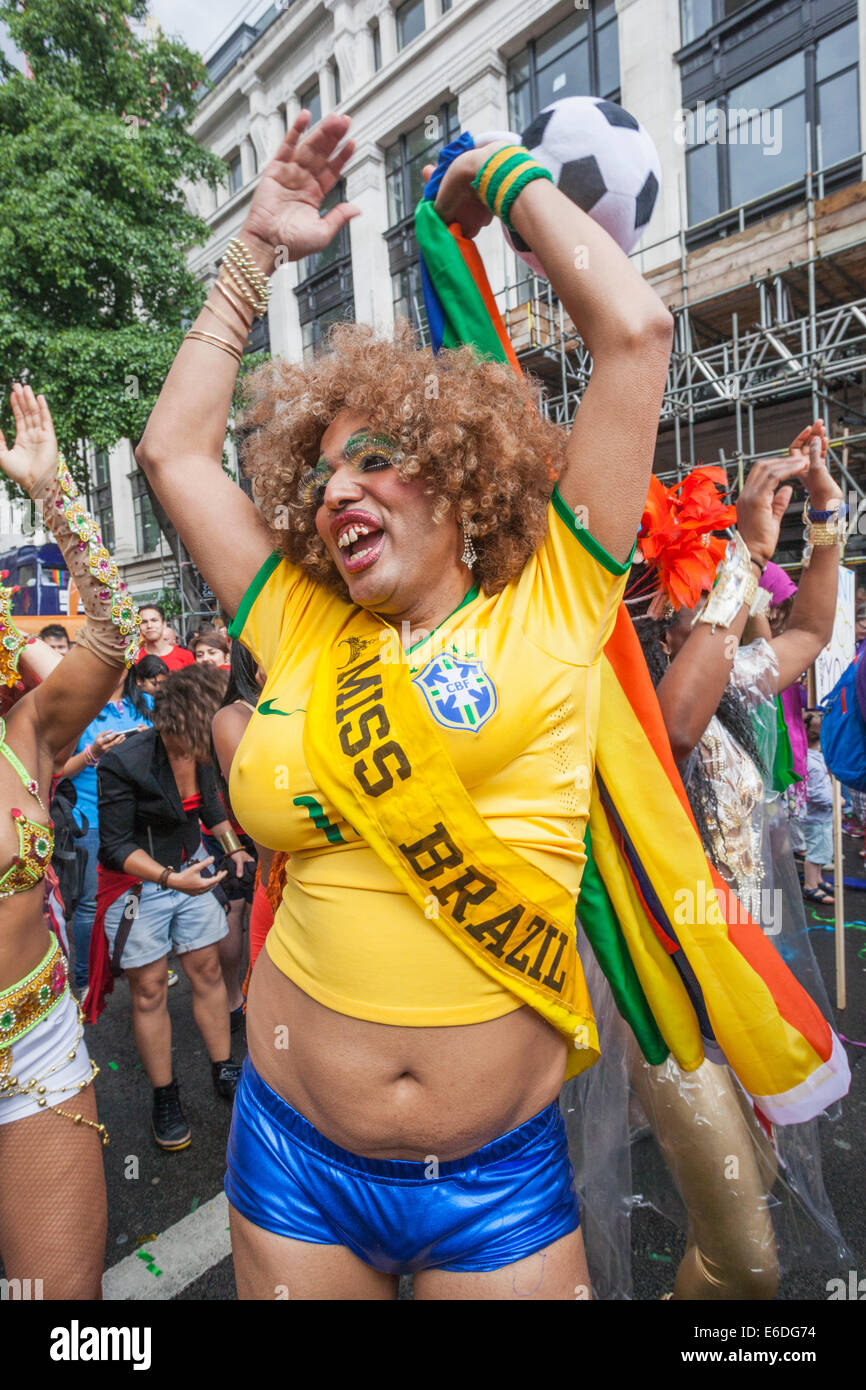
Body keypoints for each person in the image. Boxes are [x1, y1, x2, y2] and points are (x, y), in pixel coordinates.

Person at [134, 108, 675, 1298]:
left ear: (457, 469)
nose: (339, 489)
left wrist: (498, 173)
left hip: (495, 1186)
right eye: (322, 470)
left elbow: (633, 333)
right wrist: (252, 254)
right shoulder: (299, 617)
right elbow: (174, 452)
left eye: (375, 456)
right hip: (290, 1161)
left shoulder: (551, 599)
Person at [628, 425, 845, 1298]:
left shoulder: (726, 683)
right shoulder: (636, 699)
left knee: (753, 1203)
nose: (714, 593)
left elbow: (816, 627)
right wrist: (748, 554)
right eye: (699, 579)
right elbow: (675, 726)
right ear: (653, 603)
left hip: (743, 968)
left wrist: (823, 514)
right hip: (672, 989)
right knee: (745, 1252)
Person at [0, 383, 140, 1297]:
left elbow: (115, 632)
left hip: (34, 1048)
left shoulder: (25, 733)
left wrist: (54, 497)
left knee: (62, 1320)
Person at [87, 663, 245, 1151]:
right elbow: (113, 845)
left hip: (189, 867)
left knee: (207, 971)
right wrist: (170, 880)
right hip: (140, 883)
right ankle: (165, 1095)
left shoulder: (201, 753)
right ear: (180, 724)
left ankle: (224, 1068)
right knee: (151, 989)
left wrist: (232, 846)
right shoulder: (126, 760)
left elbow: (210, 803)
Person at [58, 658, 159, 991]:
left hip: (137, 817)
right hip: (91, 818)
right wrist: (93, 751)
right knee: (90, 902)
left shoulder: (144, 703)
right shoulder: (78, 709)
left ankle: (133, 960)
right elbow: (60, 772)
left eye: (118, 662)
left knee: (134, 890)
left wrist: (150, 741)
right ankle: (85, 978)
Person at [209, 641, 265, 1025]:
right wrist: (232, 847)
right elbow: (209, 799)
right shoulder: (232, 717)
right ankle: (233, 998)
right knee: (235, 912)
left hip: (276, 853)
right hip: (240, 838)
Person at [800, 712, 835, 904]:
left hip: (823, 817)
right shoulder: (810, 761)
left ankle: (818, 878)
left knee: (823, 850)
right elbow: (813, 792)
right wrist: (834, 800)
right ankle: (810, 886)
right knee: (817, 853)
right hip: (817, 817)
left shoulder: (816, 756)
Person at [137, 603, 194, 671]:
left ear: (164, 624)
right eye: (144, 622)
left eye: (154, 620)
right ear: (138, 627)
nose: (149, 626)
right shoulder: (134, 659)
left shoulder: (186, 656)